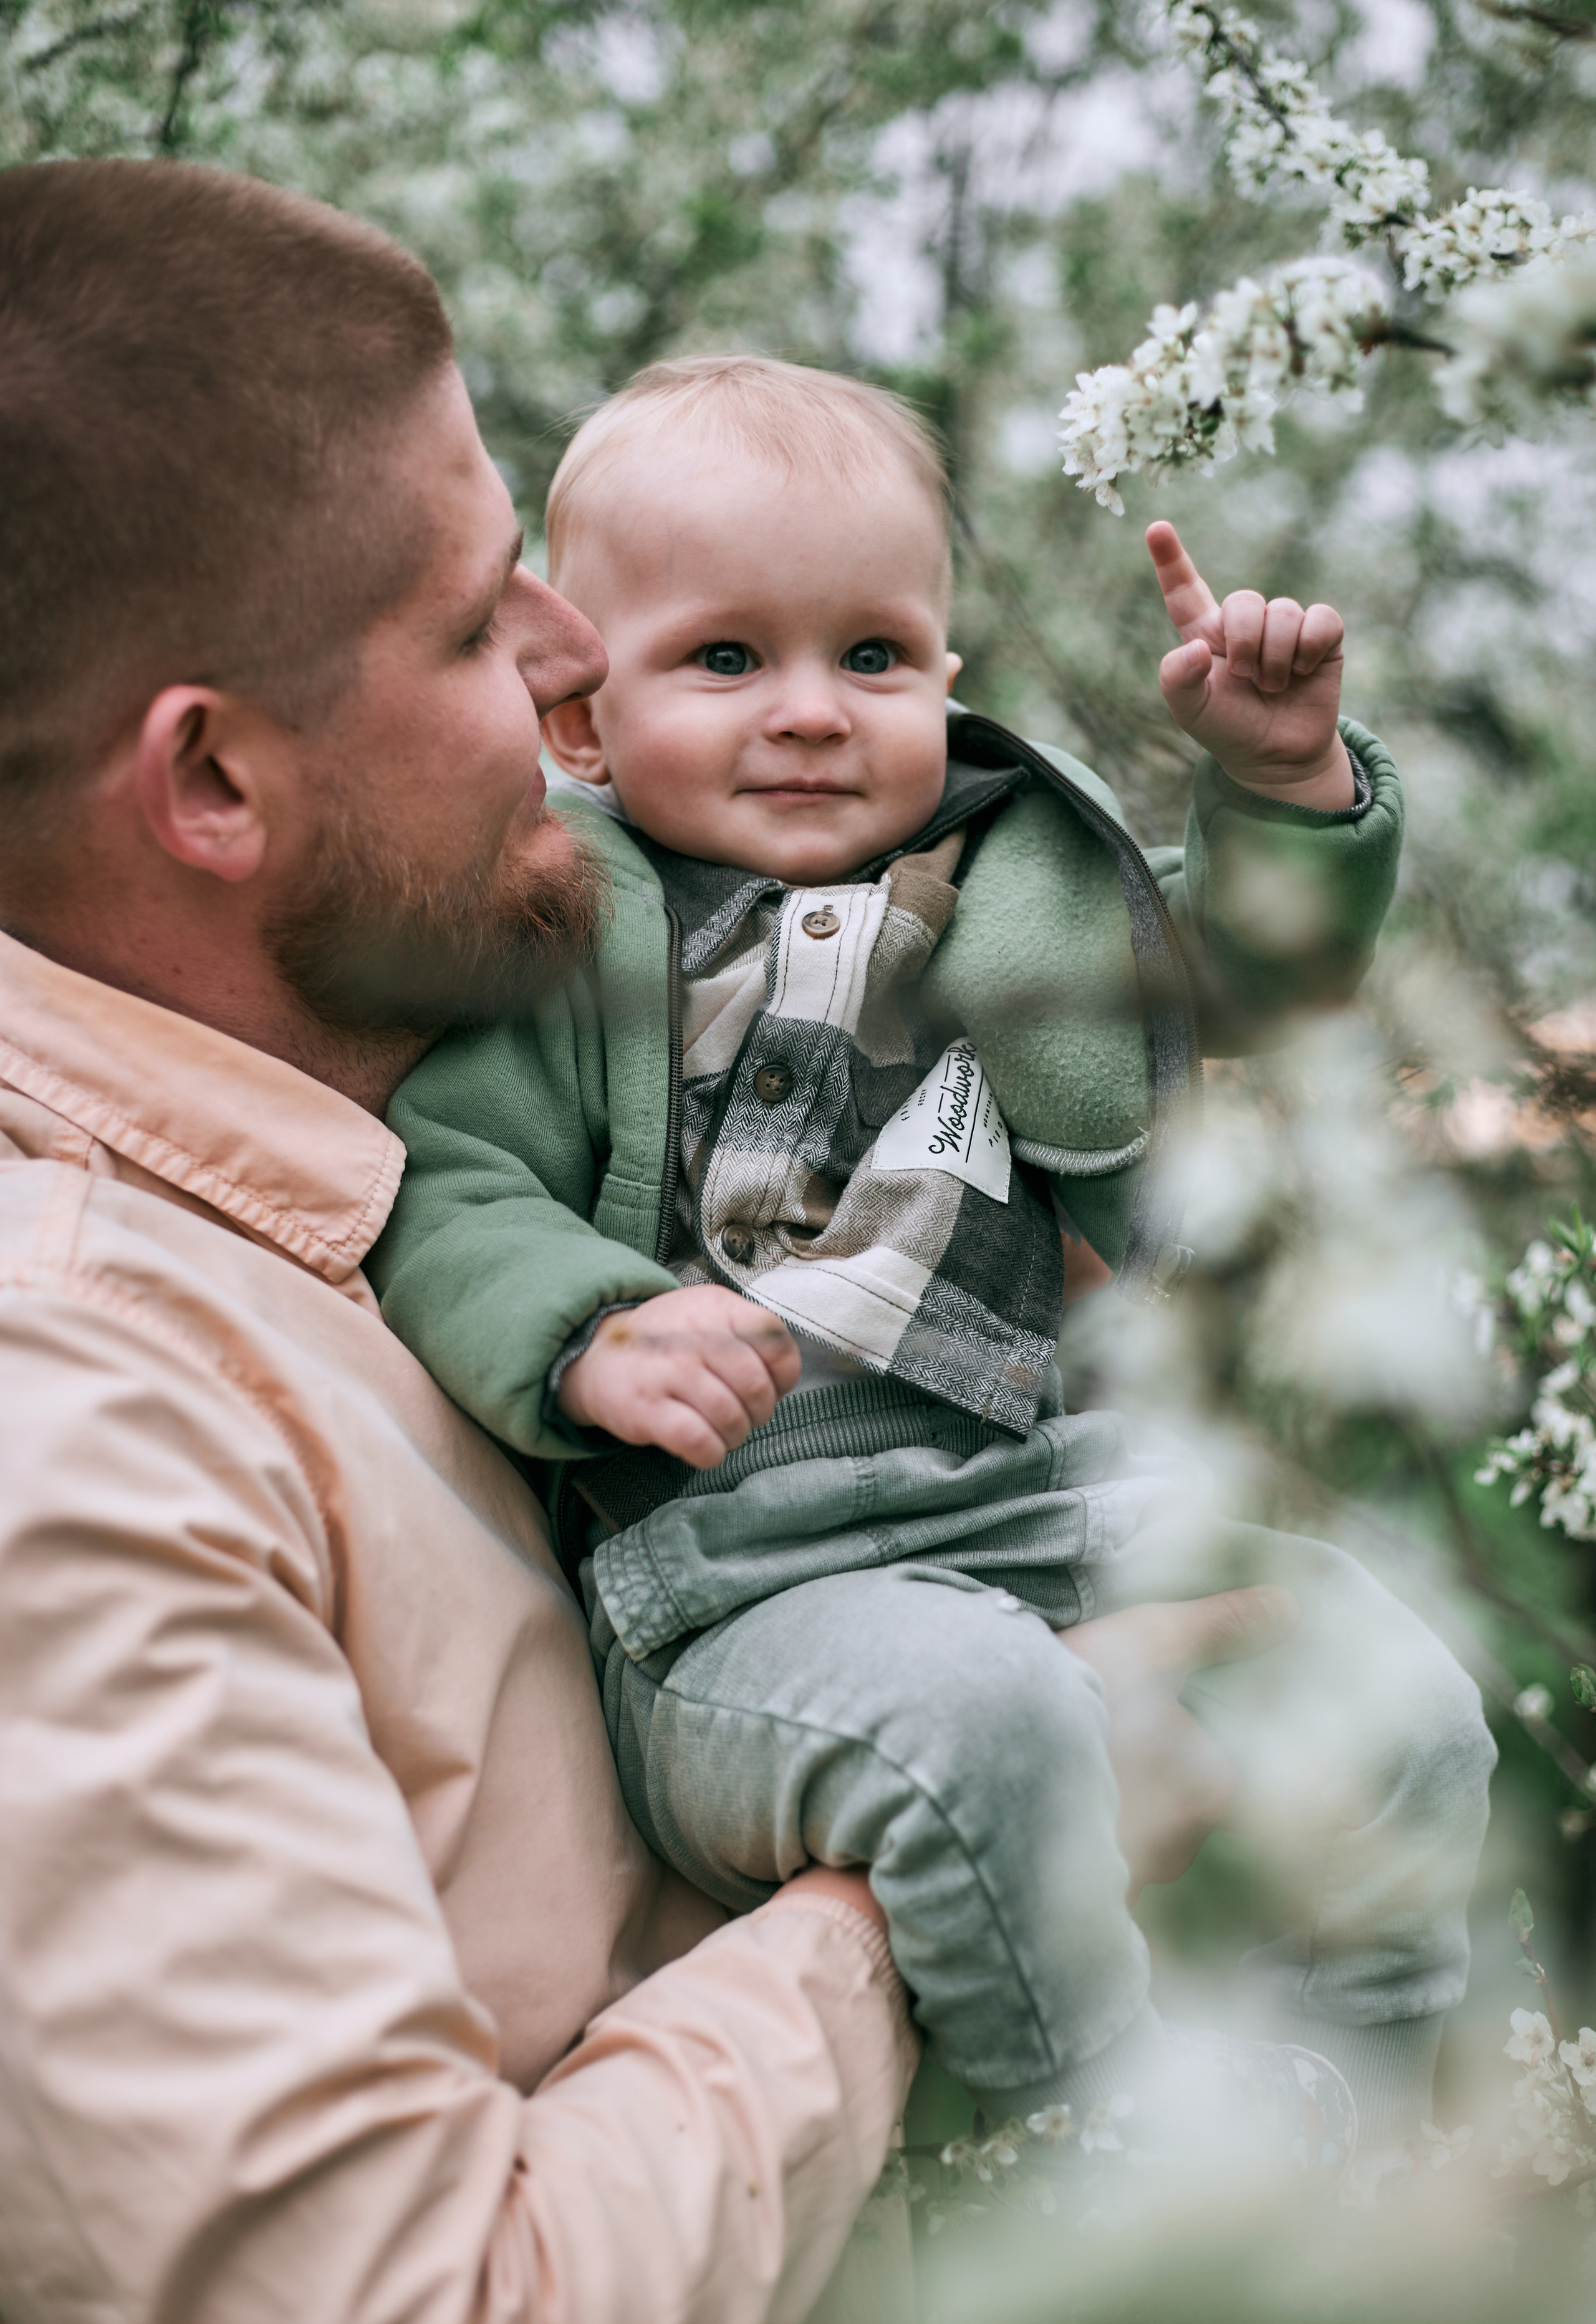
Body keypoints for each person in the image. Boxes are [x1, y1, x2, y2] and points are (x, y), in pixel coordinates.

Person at [370, 356, 1497, 2160]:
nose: (813, 713)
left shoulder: (1009, 887)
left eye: (872, 657)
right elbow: (443, 1181)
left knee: (1390, 1679)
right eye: (726, 659)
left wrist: (1284, 782)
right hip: (741, 1584)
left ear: (945, 682)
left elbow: (1240, 989)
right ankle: (1089, 2144)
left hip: (1046, 1492)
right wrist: (590, 1330)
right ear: (580, 723)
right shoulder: (569, 936)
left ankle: (1361, 2110)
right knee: (989, 1731)